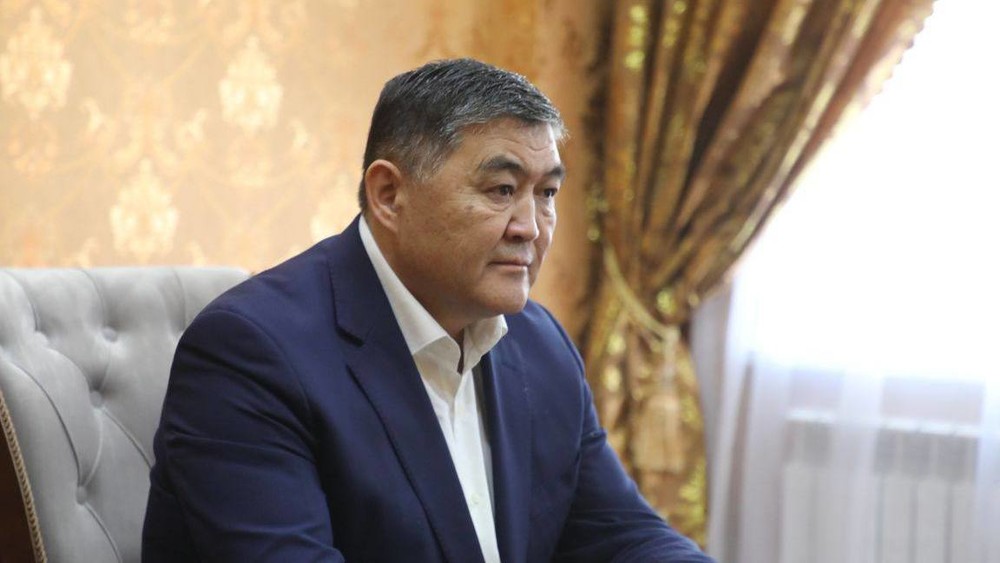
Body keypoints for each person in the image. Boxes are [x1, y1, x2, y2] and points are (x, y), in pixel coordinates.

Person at [142, 58, 713, 563]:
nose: (531, 228)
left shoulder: (538, 343)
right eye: (501, 190)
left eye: (546, 194)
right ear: (389, 195)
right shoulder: (250, 354)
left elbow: (623, 536)